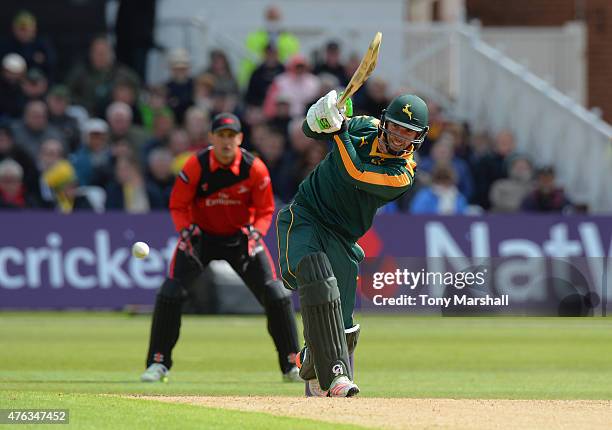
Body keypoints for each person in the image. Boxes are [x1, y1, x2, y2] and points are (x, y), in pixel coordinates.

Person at [276, 91, 429, 397]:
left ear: (418, 136)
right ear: (385, 121)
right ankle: (324, 367)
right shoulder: (363, 125)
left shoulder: (403, 174)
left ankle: (319, 369)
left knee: (342, 324)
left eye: (408, 131)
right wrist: (321, 115)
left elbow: (355, 174)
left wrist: (339, 131)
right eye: (396, 126)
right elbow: (310, 132)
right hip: (307, 214)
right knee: (304, 273)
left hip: (343, 237)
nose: (400, 136)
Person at [140, 112, 301, 383]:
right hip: (200, 239)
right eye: (221, 135)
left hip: (240, 239)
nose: (226, 142)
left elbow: (265, 210)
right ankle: (158, 363)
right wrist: (186, 230)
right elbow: (178, 205)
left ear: (240, 138)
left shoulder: (254, 168)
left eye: (231, 136)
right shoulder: (195, 166)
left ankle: (291, 365)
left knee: (276, 294)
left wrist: (255, 232)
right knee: (170, 292)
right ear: (212, 138)